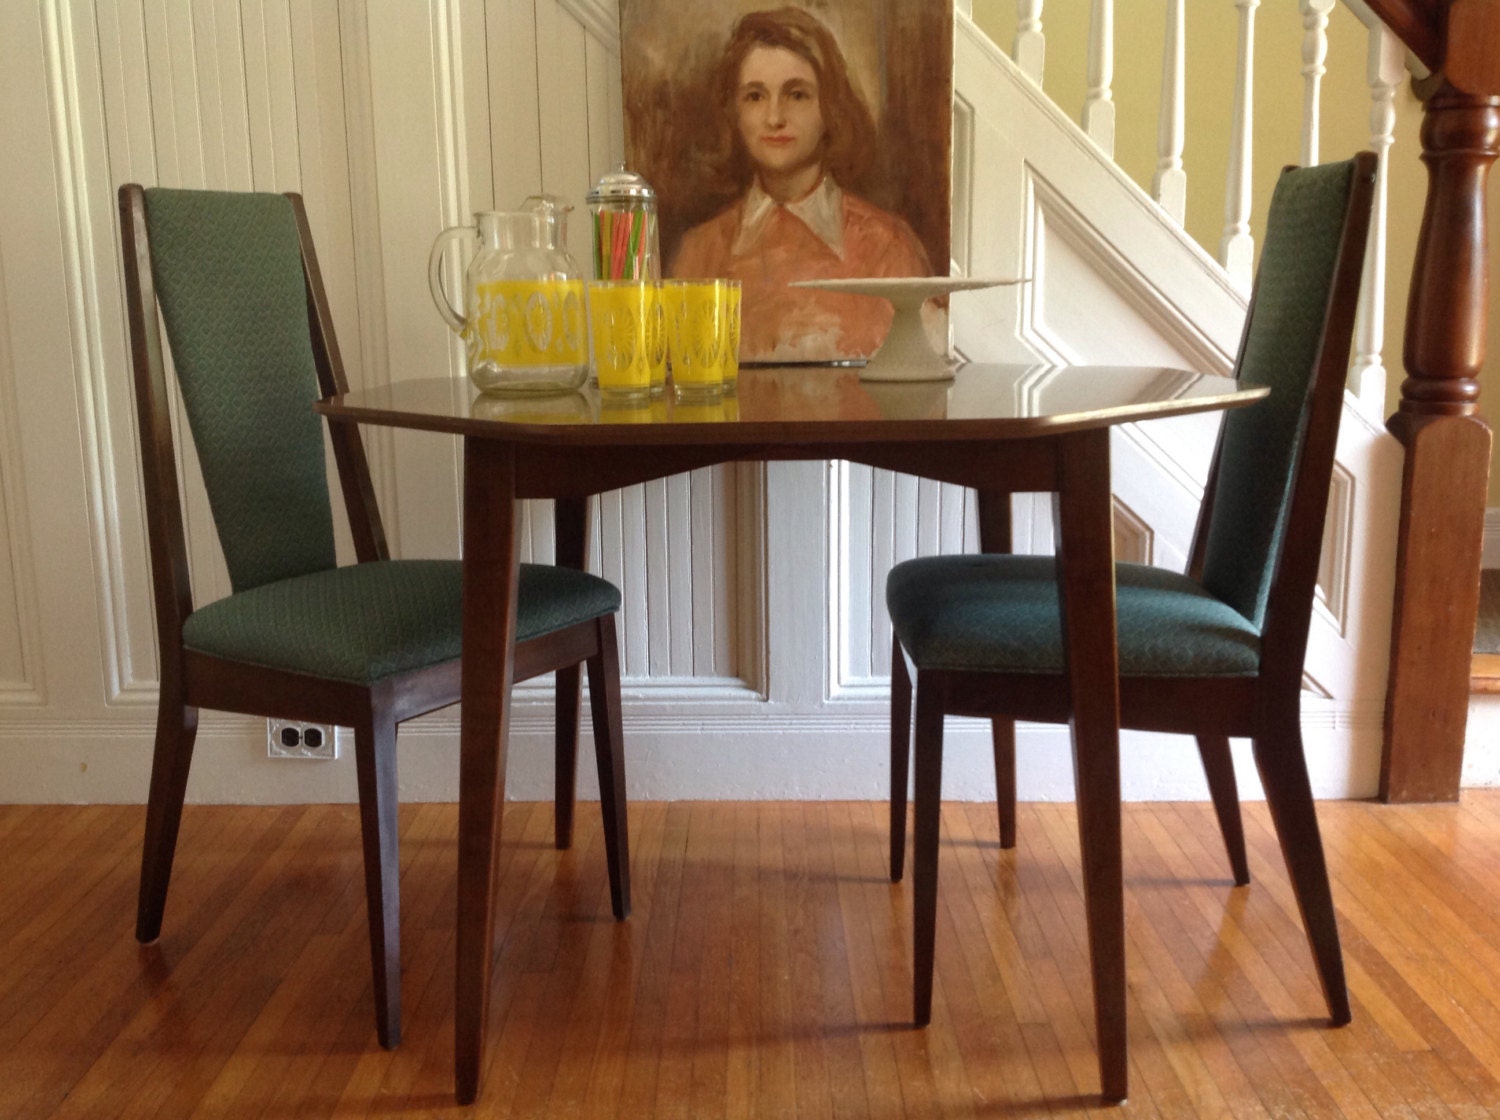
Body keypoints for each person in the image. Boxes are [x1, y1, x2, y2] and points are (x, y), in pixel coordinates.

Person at [669, 7, 933, 363]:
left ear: (830, 108)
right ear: (734, 112)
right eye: (755, 96)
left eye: (797, 95)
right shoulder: (698, 253)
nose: (775, 118)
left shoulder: (889, 247)